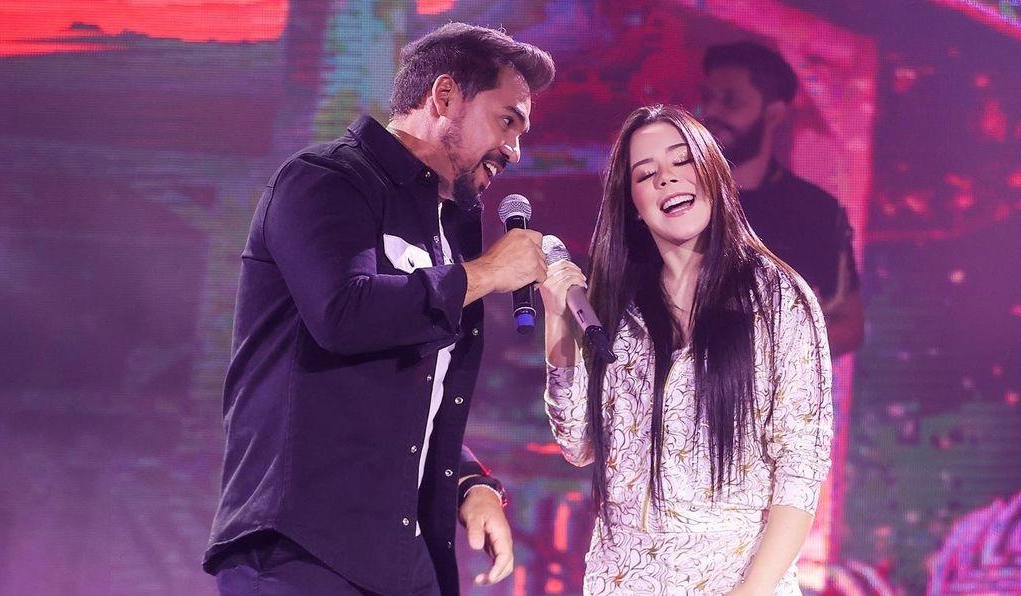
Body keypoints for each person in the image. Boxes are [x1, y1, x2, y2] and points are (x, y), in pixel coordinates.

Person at [204, 23, 555, 596]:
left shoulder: (446, 228)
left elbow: (410, 394)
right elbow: (344, 313)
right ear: (445, 97)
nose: (514, 150)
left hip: (402, 560)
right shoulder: (326, 180)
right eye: (507, 121)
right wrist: (487, 273)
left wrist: (469, 481)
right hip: (301, 551)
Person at [540, 104, 833, 594]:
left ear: (713, 172)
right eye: (646, 174)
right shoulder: (617, 309)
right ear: (633, 203)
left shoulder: (777, 298)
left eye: (682, 161)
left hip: (739, 582)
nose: (667, 179)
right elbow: (579, 444)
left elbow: (800, 467)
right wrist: (558, 321)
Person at [700, 41, 864, 356]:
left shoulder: (816, 211)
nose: (711, 113)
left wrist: (767, 352)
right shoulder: (675, 195)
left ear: (773, 113)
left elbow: (849, 327)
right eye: (707, 98)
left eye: (730, 101)